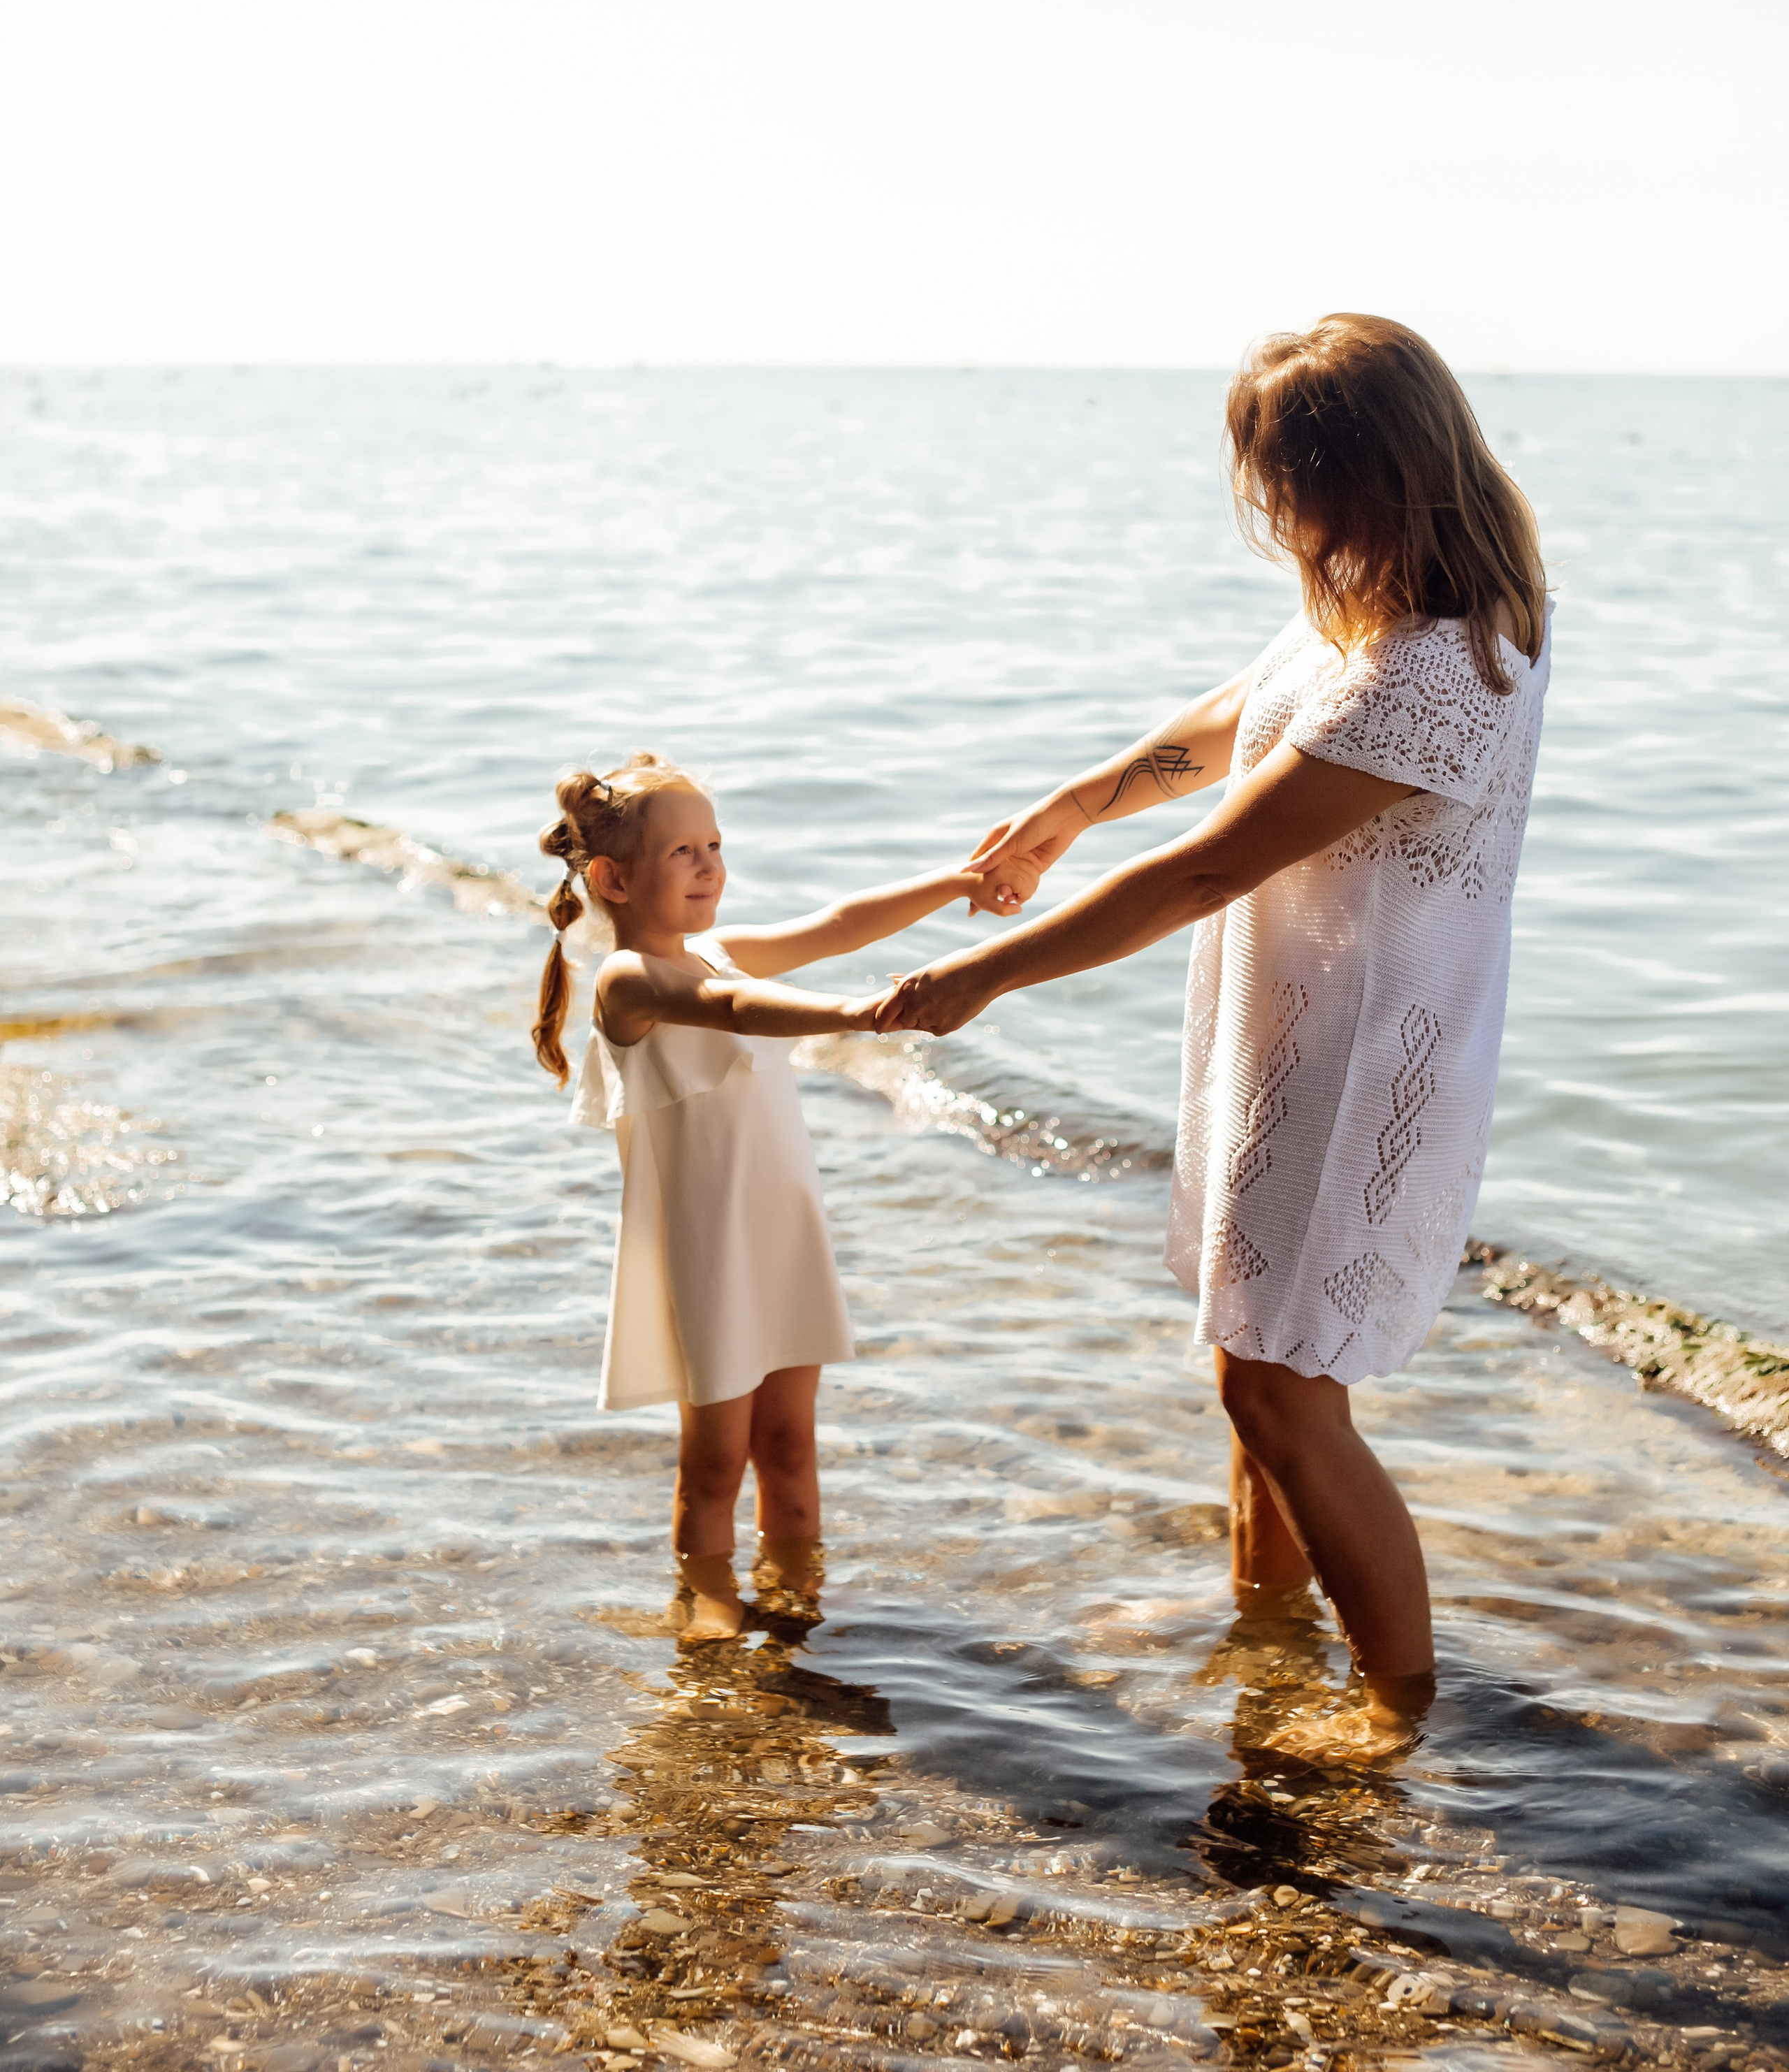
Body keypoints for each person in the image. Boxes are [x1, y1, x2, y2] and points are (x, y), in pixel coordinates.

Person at [876, 315, 1551, 1758]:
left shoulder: (1435, 668)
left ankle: (1392, 1714)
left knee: (1284, 1387)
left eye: (1275, 478)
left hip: (1365, 1060)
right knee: (1249, 1363)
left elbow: (1203, 869)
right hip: (1290, 1039)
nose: (1269, 512)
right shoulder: (1368, 608)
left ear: (1347, 477)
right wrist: (1071, 803)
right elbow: (1234, 716)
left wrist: (983, 977)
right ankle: (1266, 1637)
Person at [532, 752, 1015, 1644]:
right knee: (714, 1462)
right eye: (684, 851)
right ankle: (707, 1619)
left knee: (791, 1441)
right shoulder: (628, 981)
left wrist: (956, 883)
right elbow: (733, 1008)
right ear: (614, 878)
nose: (710, 865)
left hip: (782, 1231)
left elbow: (836, 922)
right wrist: (864, 1014)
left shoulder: (715, 947)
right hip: (706, 1248)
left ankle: (799, 1610)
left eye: (715, 843)